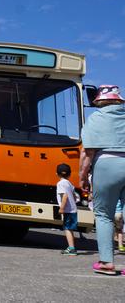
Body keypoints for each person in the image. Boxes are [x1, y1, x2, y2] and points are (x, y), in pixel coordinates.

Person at [79, 84, 125, 275]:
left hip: (107, 164)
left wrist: (82, 177)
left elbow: (87, 153)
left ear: (98, 101)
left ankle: (107, 262)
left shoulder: (96, 118)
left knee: (104, 214)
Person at [56, 163, 78, 255]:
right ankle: (72, 247)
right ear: (69, 174)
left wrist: (62, 208)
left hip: (68, 210)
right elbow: (74, 195)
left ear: (56, 174)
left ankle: (71, 248)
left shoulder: (60, 183)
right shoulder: (69, 183)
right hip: (73, 209)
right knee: (70, 229)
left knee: (67, 229)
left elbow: (64, 195)